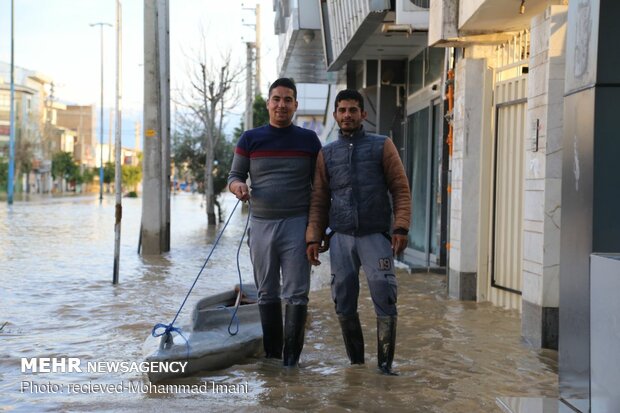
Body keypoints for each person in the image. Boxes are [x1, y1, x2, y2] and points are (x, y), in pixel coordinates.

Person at [305, 89, 411, 375]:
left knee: (385, 295)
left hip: (376, 235)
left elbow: (400, 189)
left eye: (353, 110)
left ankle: (385, 368)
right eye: (342, 110)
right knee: (343, 300)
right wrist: (313, 237)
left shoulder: (382, 146)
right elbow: (319, 199)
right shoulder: (326, 153)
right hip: (340, 237)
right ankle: (357, 367)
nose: (347, 115)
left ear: (363, 114)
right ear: (335, 115)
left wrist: (401, 226)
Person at [228, 78, 322, 367]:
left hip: (297, 223)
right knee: (267, 291)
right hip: (261, 224)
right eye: (276, 99)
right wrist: (238, 187)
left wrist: (315, 231)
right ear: (268, 103)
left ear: (296, 105)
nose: (282, 104)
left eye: (288, 99)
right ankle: (272, 359)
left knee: (296, 293)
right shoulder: (250, 139)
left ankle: (291, 363)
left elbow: (319, 189)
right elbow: (233, 177)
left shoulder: (309, 141)